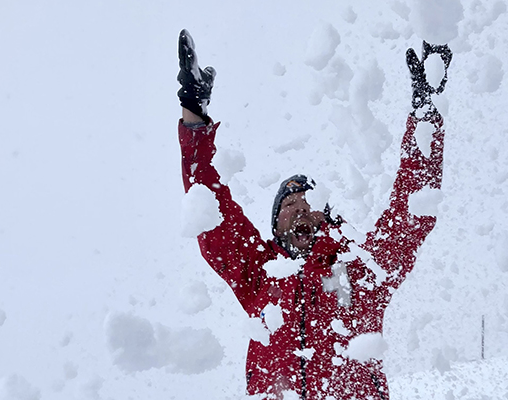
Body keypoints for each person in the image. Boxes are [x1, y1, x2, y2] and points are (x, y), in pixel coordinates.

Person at [176, 29, 451, 400]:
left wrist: (426, 113)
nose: (301, 208)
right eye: (289, 206)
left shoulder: (361, 269)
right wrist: (194, 116)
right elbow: (210, 212)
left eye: (309, 204)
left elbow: (411, 211)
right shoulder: (258, 275)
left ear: (326, 218)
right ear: (275, 227)